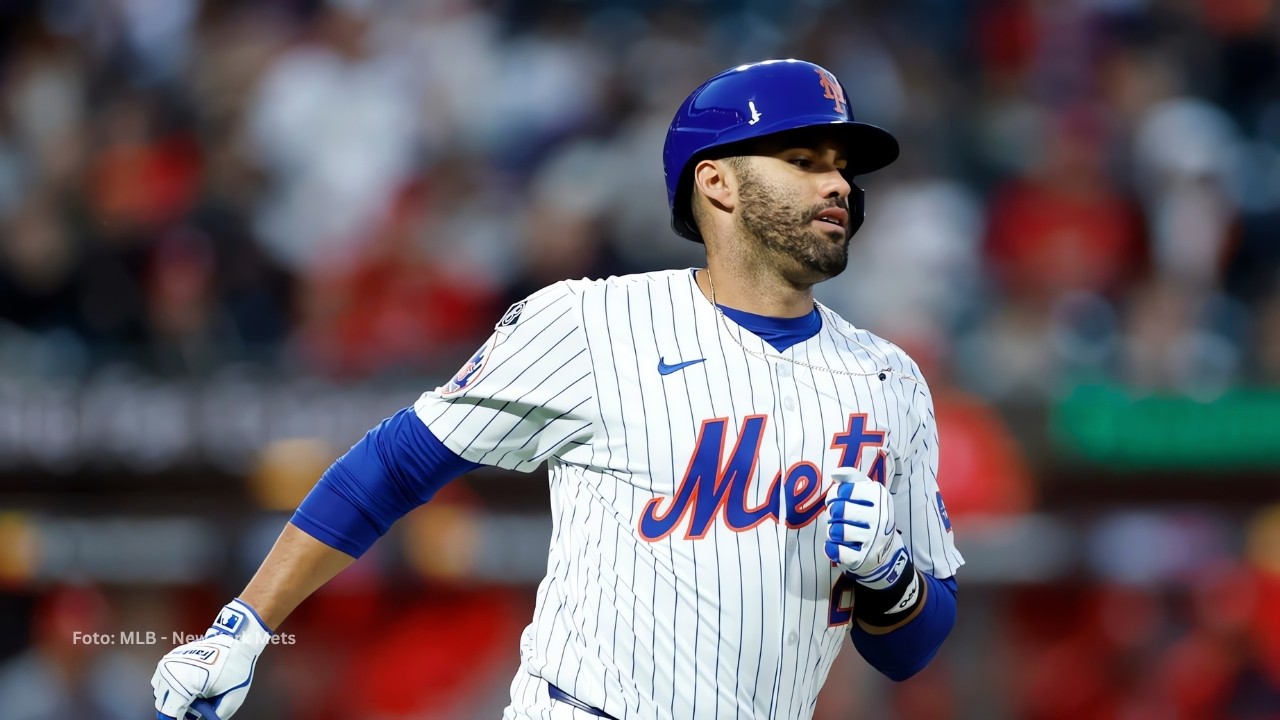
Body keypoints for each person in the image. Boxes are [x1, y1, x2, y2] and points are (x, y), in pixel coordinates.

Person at [151, 58, 964, 720]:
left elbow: (911, 650)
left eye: (842, 168)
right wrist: (246, 623)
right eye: (803, 160)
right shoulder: (592, 322)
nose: (838, 187)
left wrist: (892, 579)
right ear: (716, 183)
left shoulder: (889, 379)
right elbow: (395, 463)